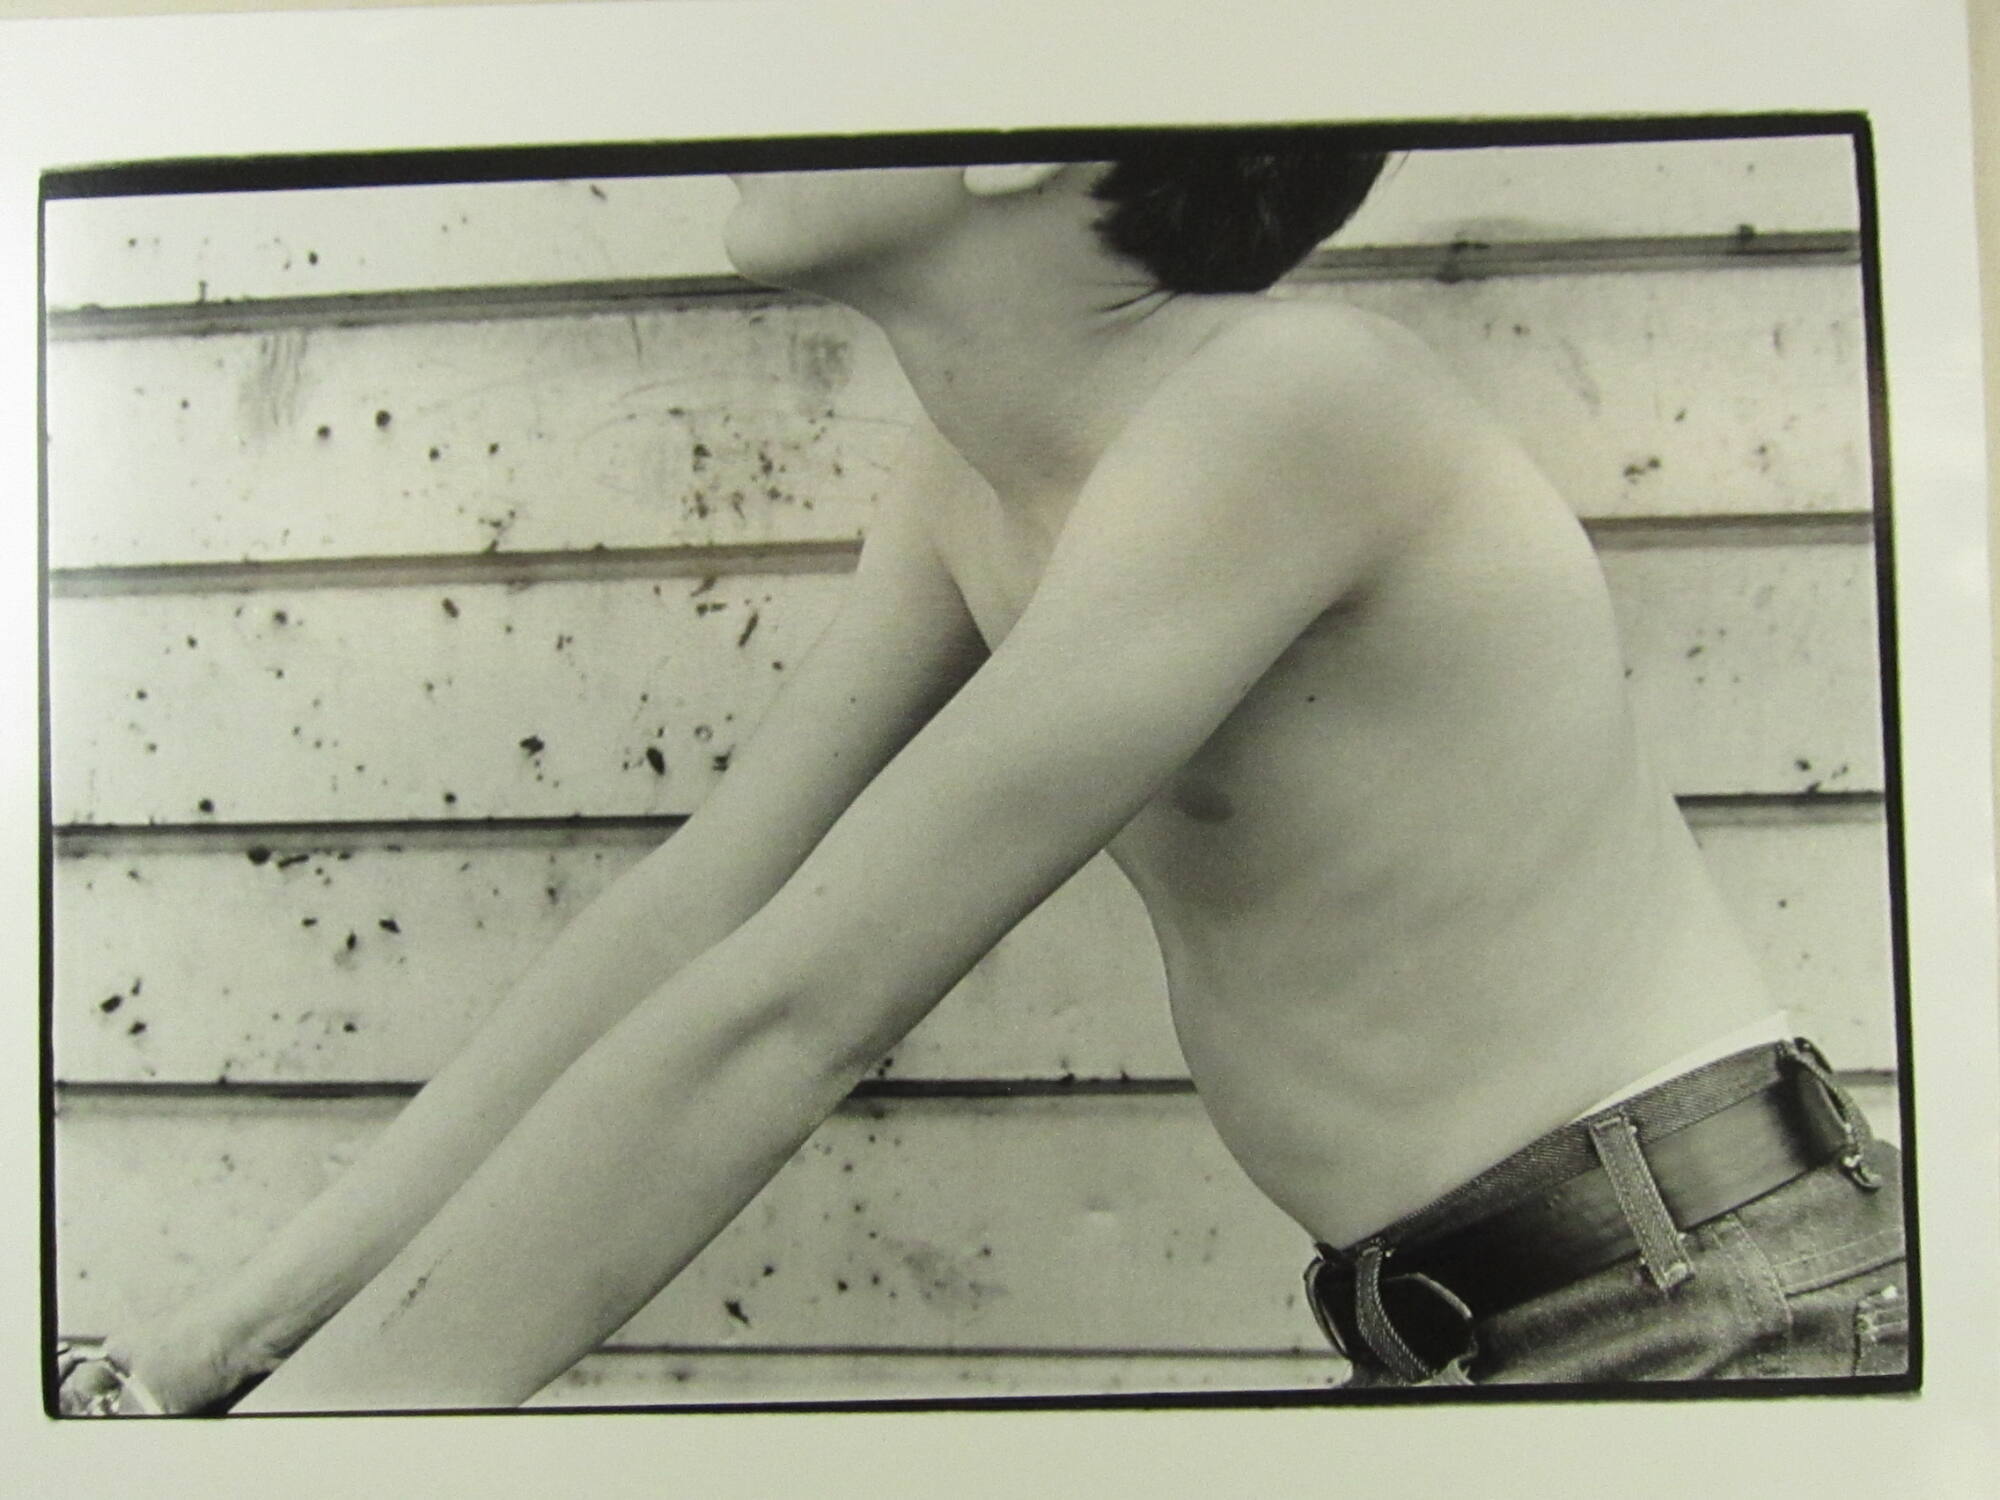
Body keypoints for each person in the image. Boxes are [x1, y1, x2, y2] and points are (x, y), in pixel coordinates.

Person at [57, 136, 1907, 1413]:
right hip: (1514, 1324)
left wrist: (326, 1449)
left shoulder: (1293, 405)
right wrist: (211, 1353)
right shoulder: (979, 474)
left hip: (1710, 1307)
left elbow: (799, 1014)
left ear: (1020, 128)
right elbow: (702, 919)